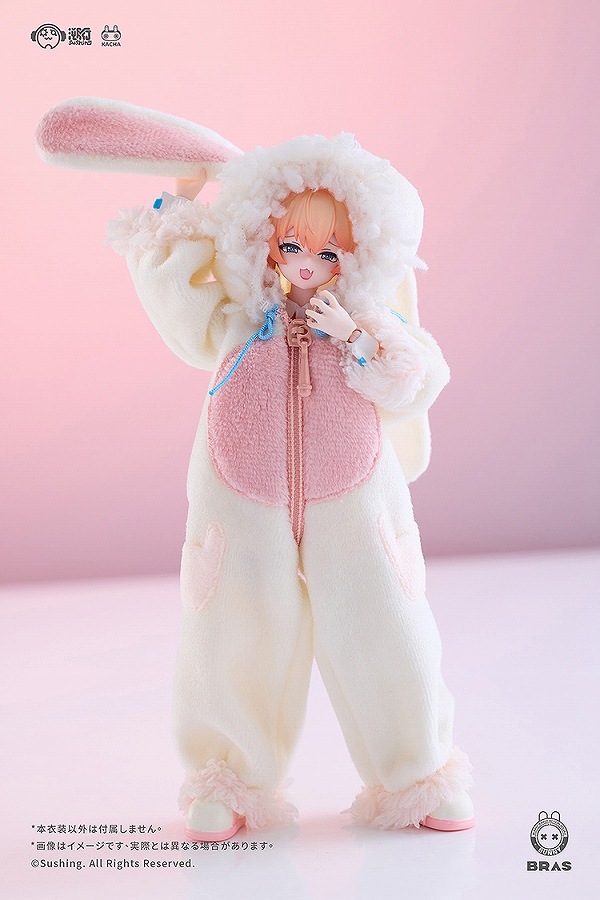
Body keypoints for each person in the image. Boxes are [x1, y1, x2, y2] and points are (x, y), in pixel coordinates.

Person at [108, 132, 474, 840]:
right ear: (264, 242)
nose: (306, 265)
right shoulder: (237, 320)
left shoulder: (370, 320)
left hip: (356, 496)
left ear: (361, 254)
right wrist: (178, 205)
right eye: (291, 246)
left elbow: (417, 379)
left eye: (329, 253)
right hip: (239, 495)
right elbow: (177, 300)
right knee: (230, 623)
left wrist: (356, 336)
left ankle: (417, 771)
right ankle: (227, 778)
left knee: (385, 618)